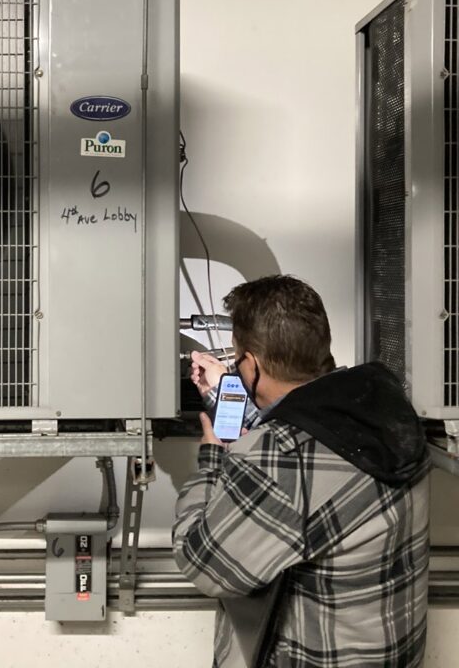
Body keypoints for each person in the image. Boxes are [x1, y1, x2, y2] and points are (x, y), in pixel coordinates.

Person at [172, 275, 430, 668]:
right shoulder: (383, 406)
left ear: (251, 364)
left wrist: (212, 456)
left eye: (238, 357)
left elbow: (206, 565)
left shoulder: (281, 457)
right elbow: (315, 456)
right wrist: (234, 401)